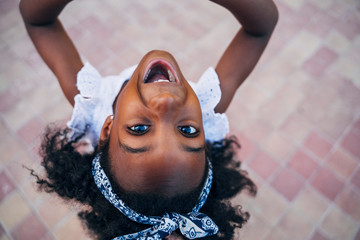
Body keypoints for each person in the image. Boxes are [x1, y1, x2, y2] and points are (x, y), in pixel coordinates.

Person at [20, 0, 278, 239]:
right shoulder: (206, 102)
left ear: (107, 129)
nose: (166, 103)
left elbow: (38, 21)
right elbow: (260, 28)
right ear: (205, 135)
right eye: (188, 130)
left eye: (140, 129)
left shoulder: (93, 101)